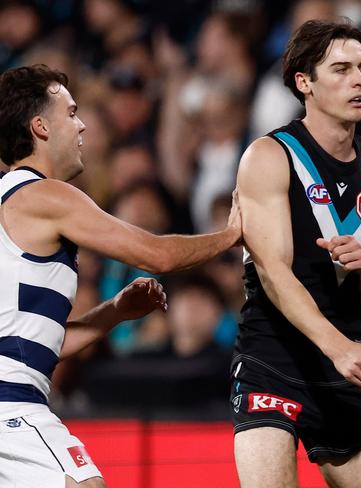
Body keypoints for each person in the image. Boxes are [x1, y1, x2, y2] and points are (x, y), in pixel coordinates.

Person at [0, 65, 241, 487]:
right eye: (71, 113)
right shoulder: (44, 195)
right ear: (40, 126)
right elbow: (157, 255)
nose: (82, 124)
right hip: (12, 403)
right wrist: (231, 235)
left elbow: (35, 343)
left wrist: (114, 311)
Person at [232, 19, 361, 488]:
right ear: (304, 82)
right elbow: (273, 272)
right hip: (273, 359)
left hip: (345, 366)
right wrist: (340, 348)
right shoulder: (269, 155)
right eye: (341, 69)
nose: (359, 79)